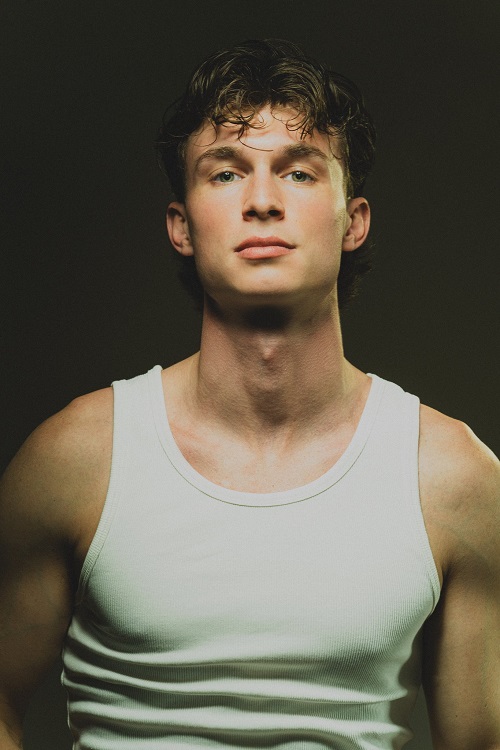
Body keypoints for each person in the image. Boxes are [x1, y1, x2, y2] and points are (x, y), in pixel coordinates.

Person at [0, 38, 498, 750]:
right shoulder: (77, 457)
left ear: (353, 221)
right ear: (181, 226)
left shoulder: (454, 479)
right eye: (227, 173)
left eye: (298, 172)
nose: (262, 202)